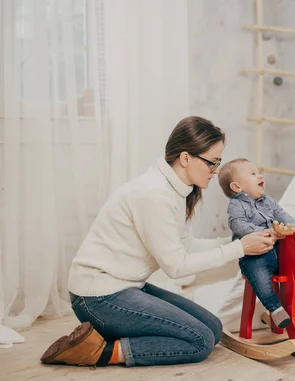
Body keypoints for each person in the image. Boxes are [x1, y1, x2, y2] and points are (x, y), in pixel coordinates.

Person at [40, 116, 276, 367]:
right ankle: (97, 351)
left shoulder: (177, 191)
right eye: (212, 162)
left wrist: (238, 242)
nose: (216, 170)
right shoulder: (154, 194)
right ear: (186, 158)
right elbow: (176, 266)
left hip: (127, 287)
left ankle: (111, 333)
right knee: (200, 341)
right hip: (98, 297)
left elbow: (184, 246)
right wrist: (239, 248)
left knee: (213, 328)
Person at [218, 158, 295, 328]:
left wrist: (293, 226)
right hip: (255, 255)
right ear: (237, 187)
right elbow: (237, 224)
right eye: (253, 174)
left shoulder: (267, 201)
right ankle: (275, 309)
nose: (260, 175)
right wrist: (259, 231)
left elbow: (281, 213)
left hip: (278, 250)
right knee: (260, 276)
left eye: (258, 173)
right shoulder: (236, 204)